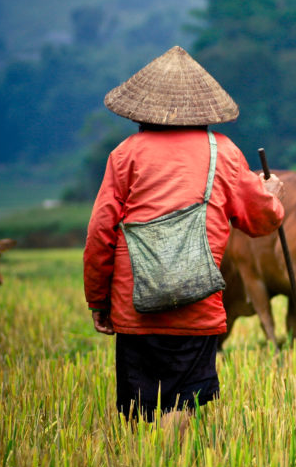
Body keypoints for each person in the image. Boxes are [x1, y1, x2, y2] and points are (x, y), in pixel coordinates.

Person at [83, 45, 285, 426]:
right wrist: (271, 196)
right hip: (196, 304)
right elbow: (259, 221)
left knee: (140, 410)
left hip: (134, 305)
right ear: (204, 111)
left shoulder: (124, 154)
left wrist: (98, 300)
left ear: (142, 112)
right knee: (180, 406)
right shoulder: (224, 153)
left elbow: (100, 233)